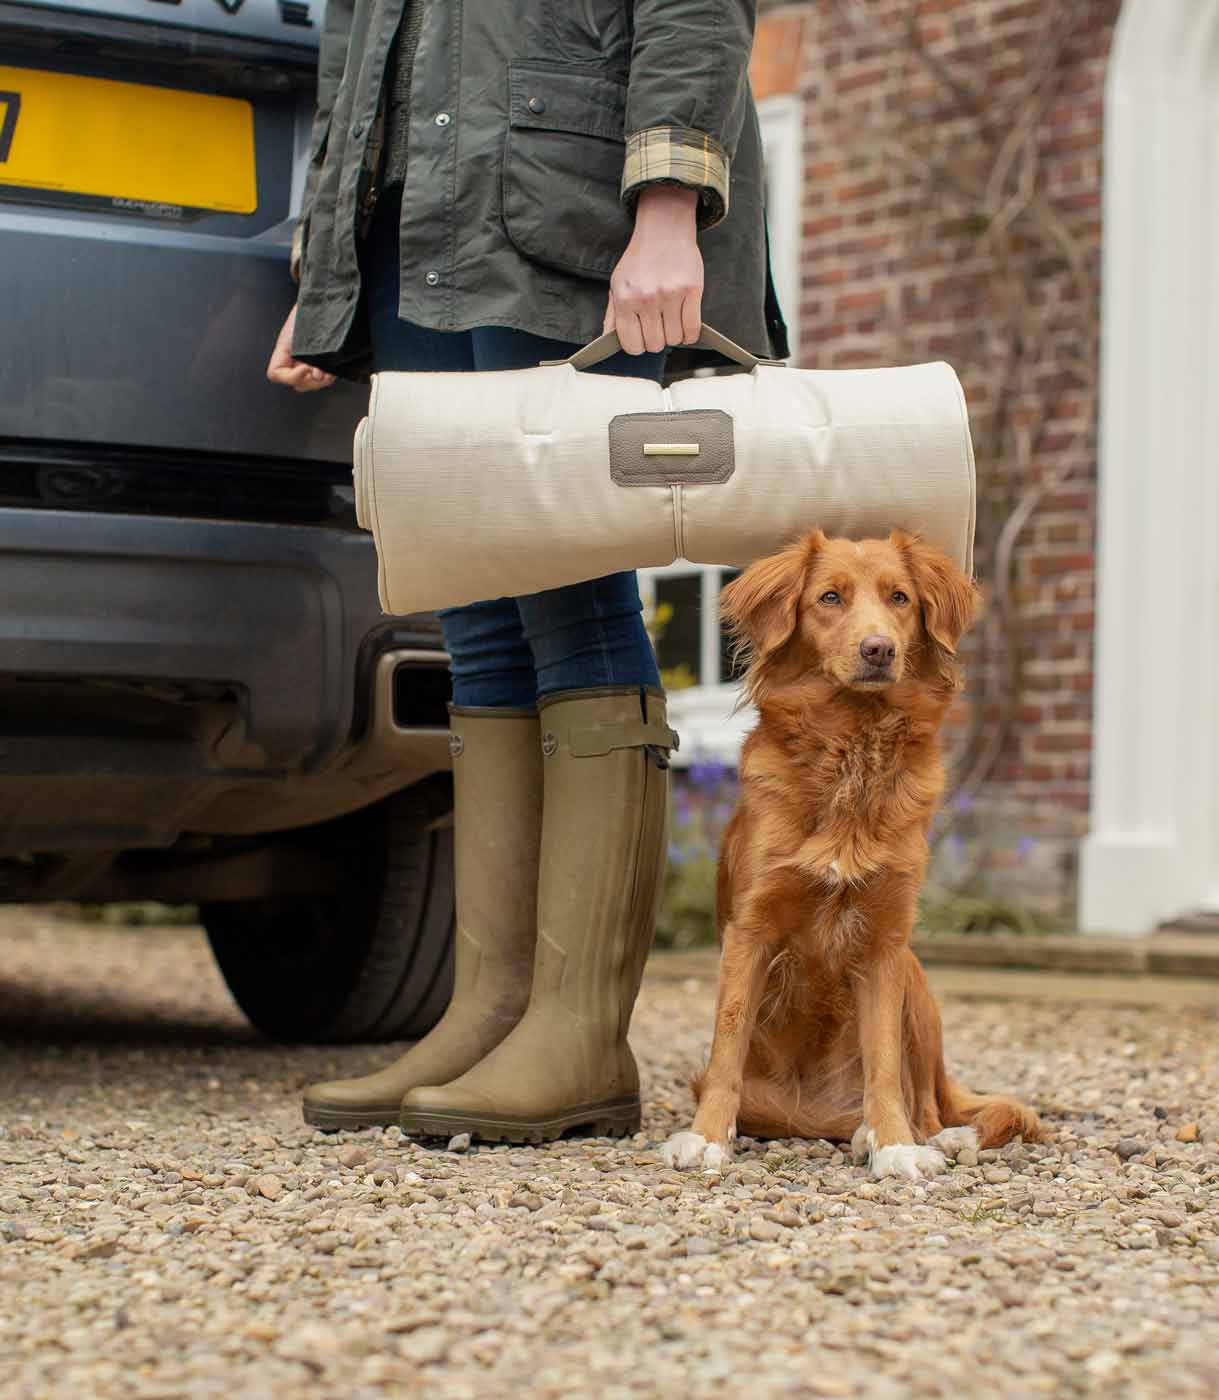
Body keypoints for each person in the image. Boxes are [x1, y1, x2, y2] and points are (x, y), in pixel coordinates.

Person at [266, 0, 788, 1144]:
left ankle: (579, 1032)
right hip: (420, 219)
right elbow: (361, 35)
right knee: (477, 599)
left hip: (565, 203)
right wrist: (329, 255)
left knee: (566, 576)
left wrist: (668, 208)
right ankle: (494, 1008)